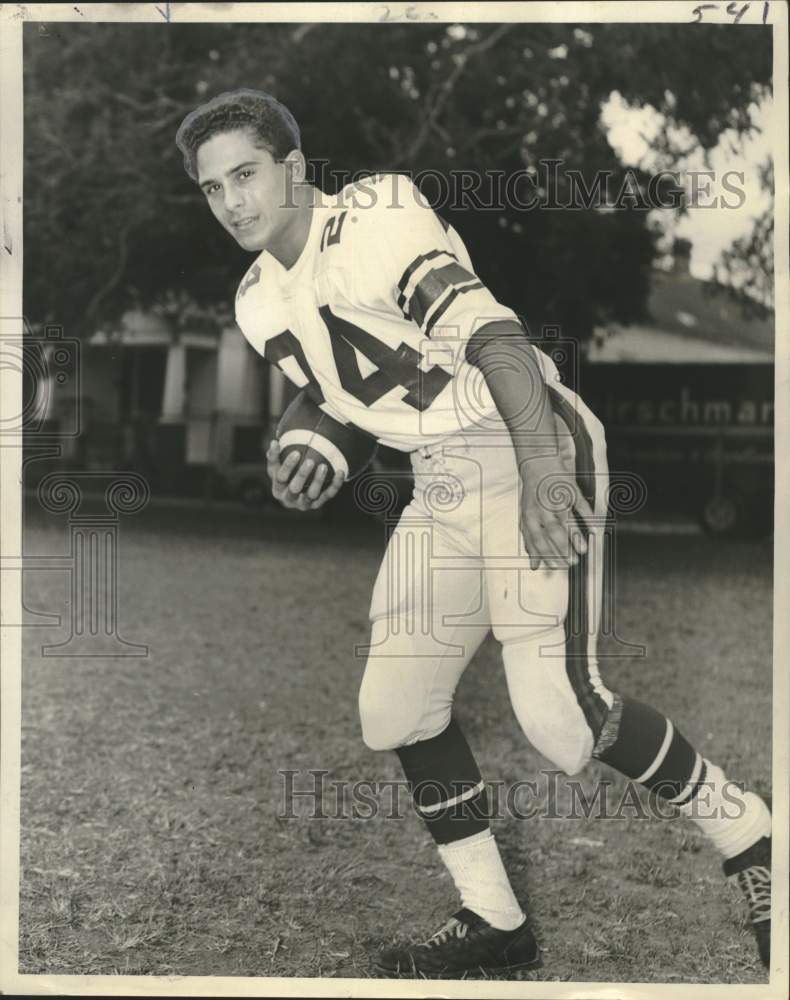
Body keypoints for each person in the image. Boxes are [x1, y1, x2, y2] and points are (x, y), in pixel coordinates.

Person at [175, 90, 772, 979]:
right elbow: (354, 385)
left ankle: (753, 835)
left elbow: (492, 336)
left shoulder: (374, 213)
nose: (231, 201)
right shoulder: (258, 298)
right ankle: (496, 921)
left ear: (294, 170)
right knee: (394, 708)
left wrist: (542, 471)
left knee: (565, 721)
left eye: (246, 175)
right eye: (212, 187)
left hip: (525, 434)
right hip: (442, 479)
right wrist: (311, 441)